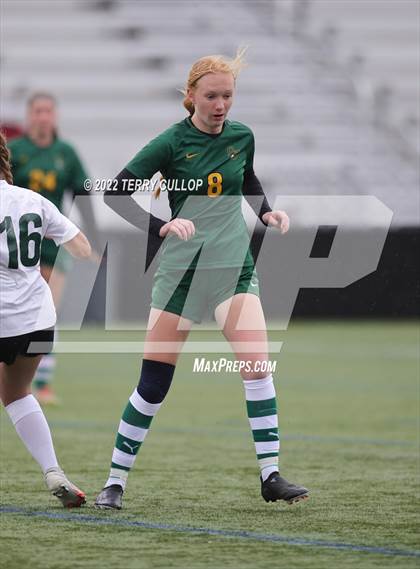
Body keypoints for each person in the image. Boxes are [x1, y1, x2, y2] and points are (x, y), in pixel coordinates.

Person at [95, 51, 309, 510]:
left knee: (257, 366)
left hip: (232, 267)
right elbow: (115, 193)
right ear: (190, 96)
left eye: (227, 96)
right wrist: (162, 226)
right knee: (153, 384)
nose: (220, 105)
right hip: (181, 275)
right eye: (211, 96)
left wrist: (266, 210)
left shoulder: (242, 135)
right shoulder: (170, 143)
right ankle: (114, 482)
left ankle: (271, 475)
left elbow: (246, 177)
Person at [0, 132, 91, 507]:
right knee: (17, 394)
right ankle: (52, 469)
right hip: (36, 318)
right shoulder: (33, 200)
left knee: (15, 395)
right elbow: (82, 247)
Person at [7, 93, 98, 404]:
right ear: (29, 115)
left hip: (53, 246)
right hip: (14, 246)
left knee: (47, 311)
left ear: (55, 116)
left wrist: (92, 239)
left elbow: (83, 195)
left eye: (48, 111)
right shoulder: (15, 150)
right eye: (37, 111)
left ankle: (42, 384)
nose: (43, 116)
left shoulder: (66, 153)